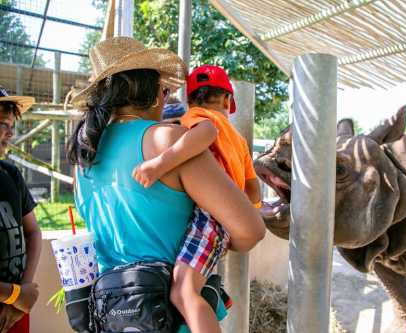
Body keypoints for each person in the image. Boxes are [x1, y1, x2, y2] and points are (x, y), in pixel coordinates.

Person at [68, 37, 265, 333]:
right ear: (156, 94)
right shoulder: (168, 142)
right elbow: (251, 230)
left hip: (112, 317)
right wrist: (217, 243)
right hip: (171, 320)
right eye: (165, 89)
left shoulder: (82, 159)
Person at [132, 65, 261, 333]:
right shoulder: (238, 140)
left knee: (183, 292)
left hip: (209, 214)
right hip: (221, 216)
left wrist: (158, 164)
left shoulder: (196, 117)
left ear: (189, 99)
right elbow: (253, 192)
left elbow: (206, 134)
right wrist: (233, 223)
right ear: (227, 100)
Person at [0, 88, 42, 333]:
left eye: (12, 125)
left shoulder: (10, 174)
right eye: (4, 124)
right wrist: (16, 294)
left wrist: (23, 293)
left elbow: (33, 232)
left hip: (14, 311)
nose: (10, 133)